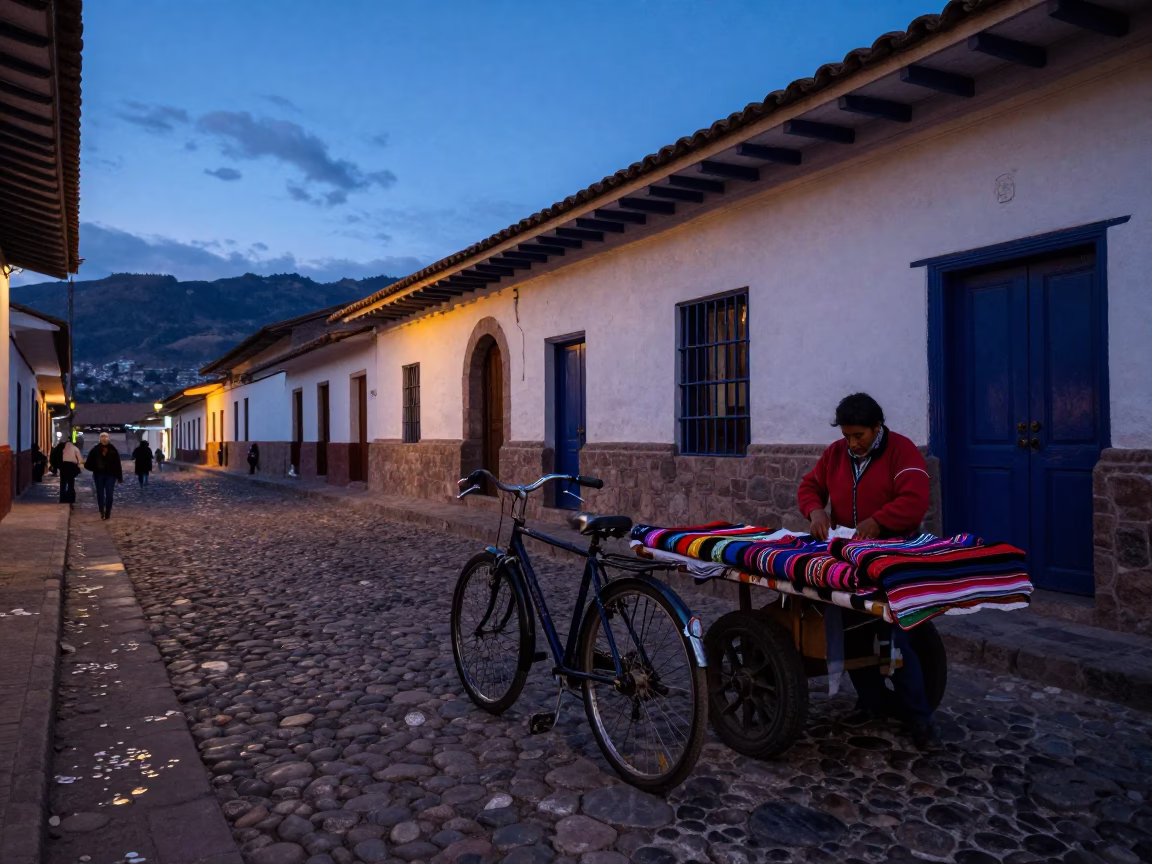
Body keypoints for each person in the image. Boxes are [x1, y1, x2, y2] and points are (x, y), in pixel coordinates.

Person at [797, 393, 939, 748]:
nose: (852, 443)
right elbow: (809, 486)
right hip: (850, 558)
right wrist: (815, 511)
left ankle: (920, 718)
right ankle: (872, 700)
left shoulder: (902, 452)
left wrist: (880, 521)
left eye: (858, 436)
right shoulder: (835, 454)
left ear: (877, 428)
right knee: (854, 633)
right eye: (847, 436)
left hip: (895, 556)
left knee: (897, 639)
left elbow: (914, 500)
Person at [84, 432, 123, 520]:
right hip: (99, 475)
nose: (104, 439)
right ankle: (101, 510)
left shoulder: (113, 450)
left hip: (111, 475)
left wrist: (119, 477)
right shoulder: (95, 450)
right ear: (100, 439)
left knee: (109, 494)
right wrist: (95, 468)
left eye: (106, 438)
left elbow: (117, 464)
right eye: (103, 438)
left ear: (108, 439)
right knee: (100, 494)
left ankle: (108, 512)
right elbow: (88, 464)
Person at [58, 438, 83, 504]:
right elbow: (80, 459)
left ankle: (62, 498)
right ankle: (70, 498)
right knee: (70, 482)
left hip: (63, 466)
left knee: (63, 482)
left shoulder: (62, 448)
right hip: (72, 466)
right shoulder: (75, 448)